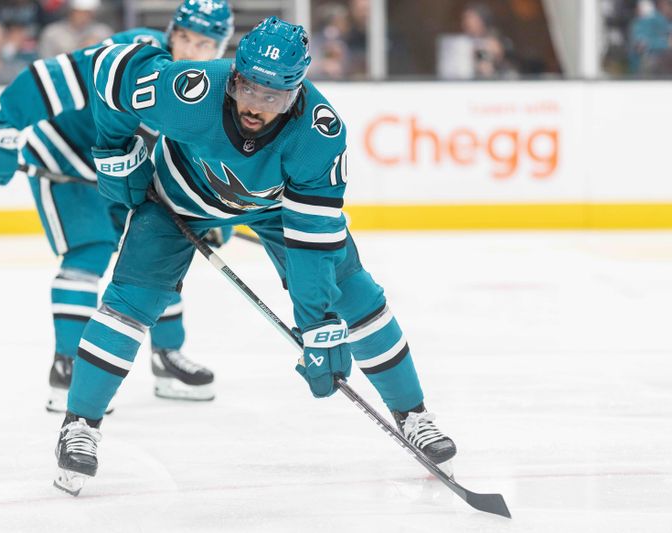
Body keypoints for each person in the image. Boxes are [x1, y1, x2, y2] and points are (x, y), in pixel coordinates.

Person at [52, 16, 457, 496]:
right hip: (177, 197)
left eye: (272, 97)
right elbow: (113, 72)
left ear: (296, 93)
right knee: (130, 303)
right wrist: (116, 154)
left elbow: (314, 244)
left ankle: (414, 415)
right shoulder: (193, 92)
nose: (254, 107)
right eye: (247, 90)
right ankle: (79, 426)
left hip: (274, 208)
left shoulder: (317, 134)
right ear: (235, 76)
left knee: (356, 294)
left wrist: (318, 324)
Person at [0, 0, 235, 413]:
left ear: (220, 48)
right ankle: (68, 365)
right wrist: (2, 124)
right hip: (65, 155)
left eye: (202, 43)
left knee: (157, 253)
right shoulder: (134, 55)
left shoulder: (215, 90)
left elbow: (202, 154)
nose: (187, 50)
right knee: (89, 252)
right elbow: (53, 78)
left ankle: (167, 356)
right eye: (183, 36)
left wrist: (214, 210)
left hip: (122, 173)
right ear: (171, 30)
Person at [38, 0, 113, 58]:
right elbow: (45, 61)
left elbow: (111, 59)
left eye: (88, 13)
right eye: (79, 12)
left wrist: (97, 48)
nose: (83, 16)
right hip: (59, 75)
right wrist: (79, 52)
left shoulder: (103, 31)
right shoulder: (52, 32)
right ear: (71, 11)